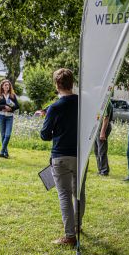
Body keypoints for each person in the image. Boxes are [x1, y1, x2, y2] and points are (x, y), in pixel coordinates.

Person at [40, 68, 82, 246]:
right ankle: (77, 226)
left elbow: (44, 134)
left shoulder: (55, 107)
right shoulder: (83, 103)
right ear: (72, 83)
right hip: (80, 153)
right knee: (78, 193)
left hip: (61, 155)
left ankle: (70, 235)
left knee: (64, 195)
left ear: (57, 84)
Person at [0, 79, 19, 158]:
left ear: (10, 86)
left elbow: (17, 106)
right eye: (5, 85)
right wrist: (4, 107)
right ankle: (5, 153)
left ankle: (2, 151)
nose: (7, 86)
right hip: (1, 116)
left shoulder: (12, 95)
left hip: (9, 117)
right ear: (2, 86)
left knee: (7, 135)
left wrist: (10, 109)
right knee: (3, 135)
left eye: (8, 85)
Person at [94, 99, 113, 176]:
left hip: (103, 127)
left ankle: (104, 171)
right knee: (96, 150)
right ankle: (100, 169)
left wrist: (102, 132)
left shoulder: (105, 101)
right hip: (98, 127)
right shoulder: (100, 98)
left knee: (101, 150)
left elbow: (106, 118)